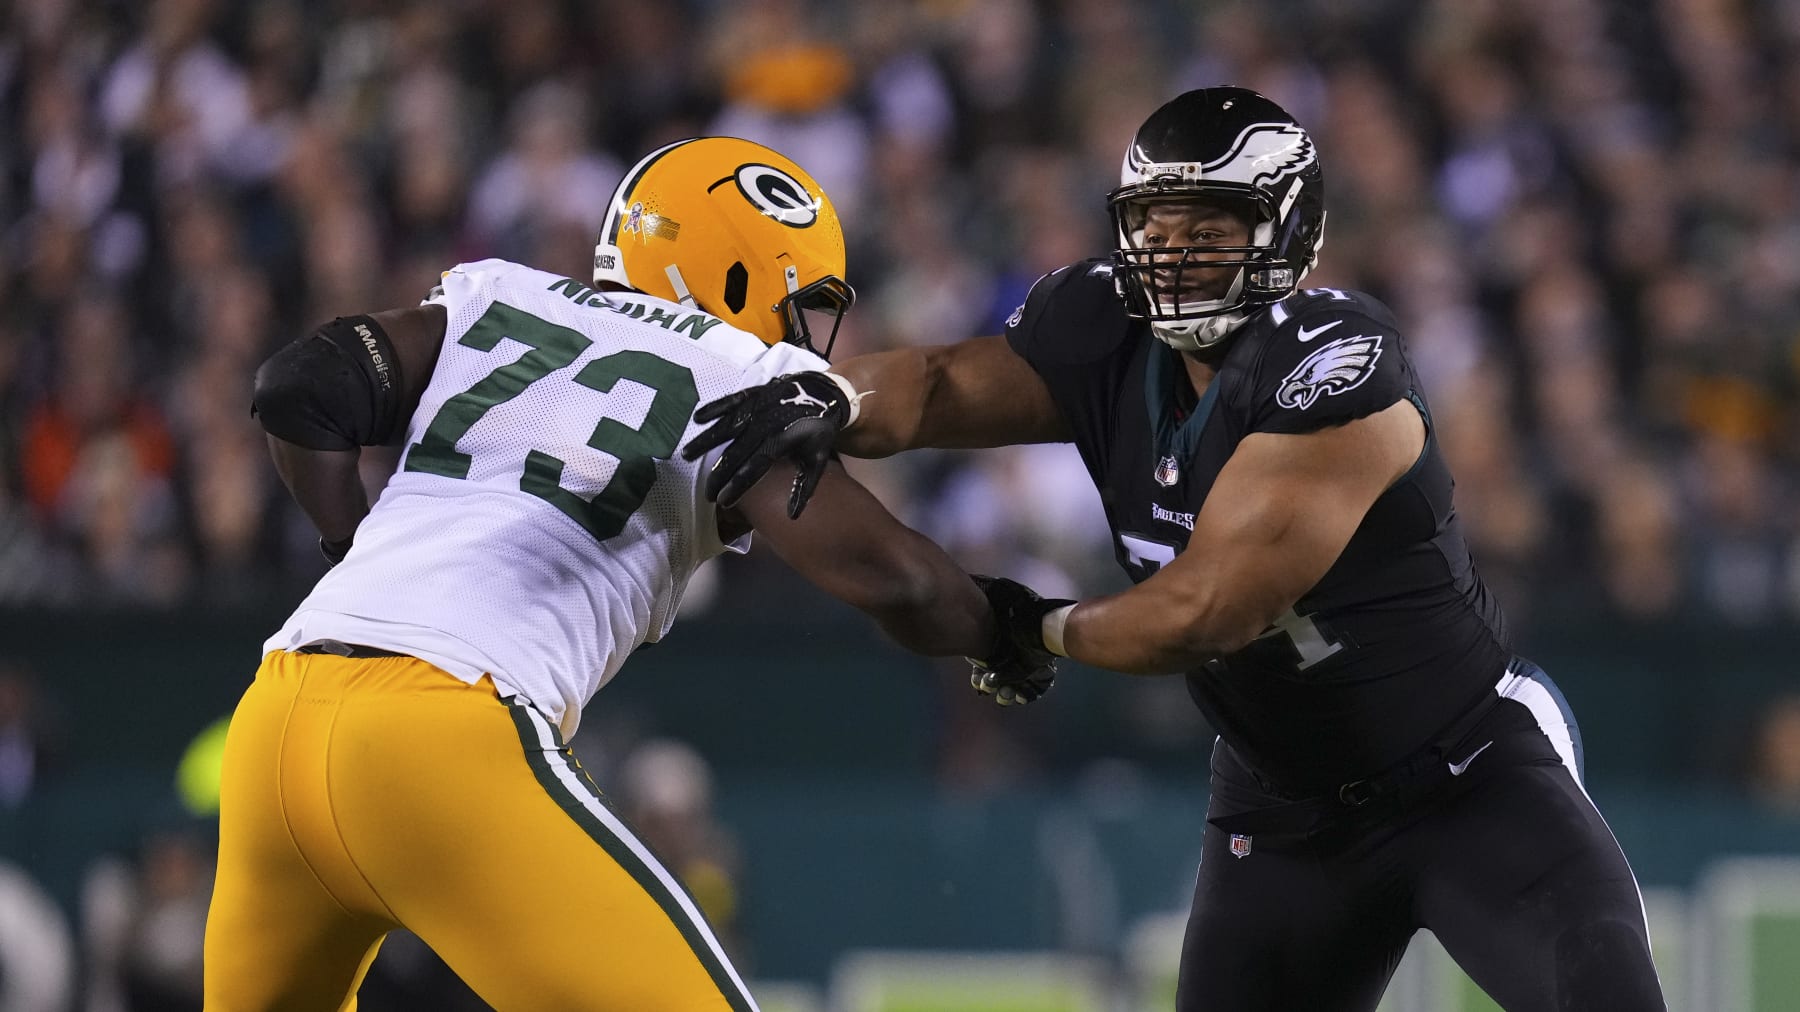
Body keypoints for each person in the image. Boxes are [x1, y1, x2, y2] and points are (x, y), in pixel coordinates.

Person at [684, 89, 1667, 1011]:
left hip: (1466, 773)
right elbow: (941, 384)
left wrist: (1035, 627)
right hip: (1281, 811)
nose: (1172, 255)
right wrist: (830, 396)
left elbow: (1204, 611)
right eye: (1154, 229)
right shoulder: (1105, 330)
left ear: (1288, 233)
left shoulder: (1337, 365)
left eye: (1209, 230)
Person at [209, 136, 1056, 1010]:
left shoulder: (501, 294)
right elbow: (899, 582)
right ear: (738, 271)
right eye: (800, 298)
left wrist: (355, 551)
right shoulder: (741, 374)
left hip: (276, 721)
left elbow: (299, 386)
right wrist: (1000, 627)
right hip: (444, 733)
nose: (806, 329)